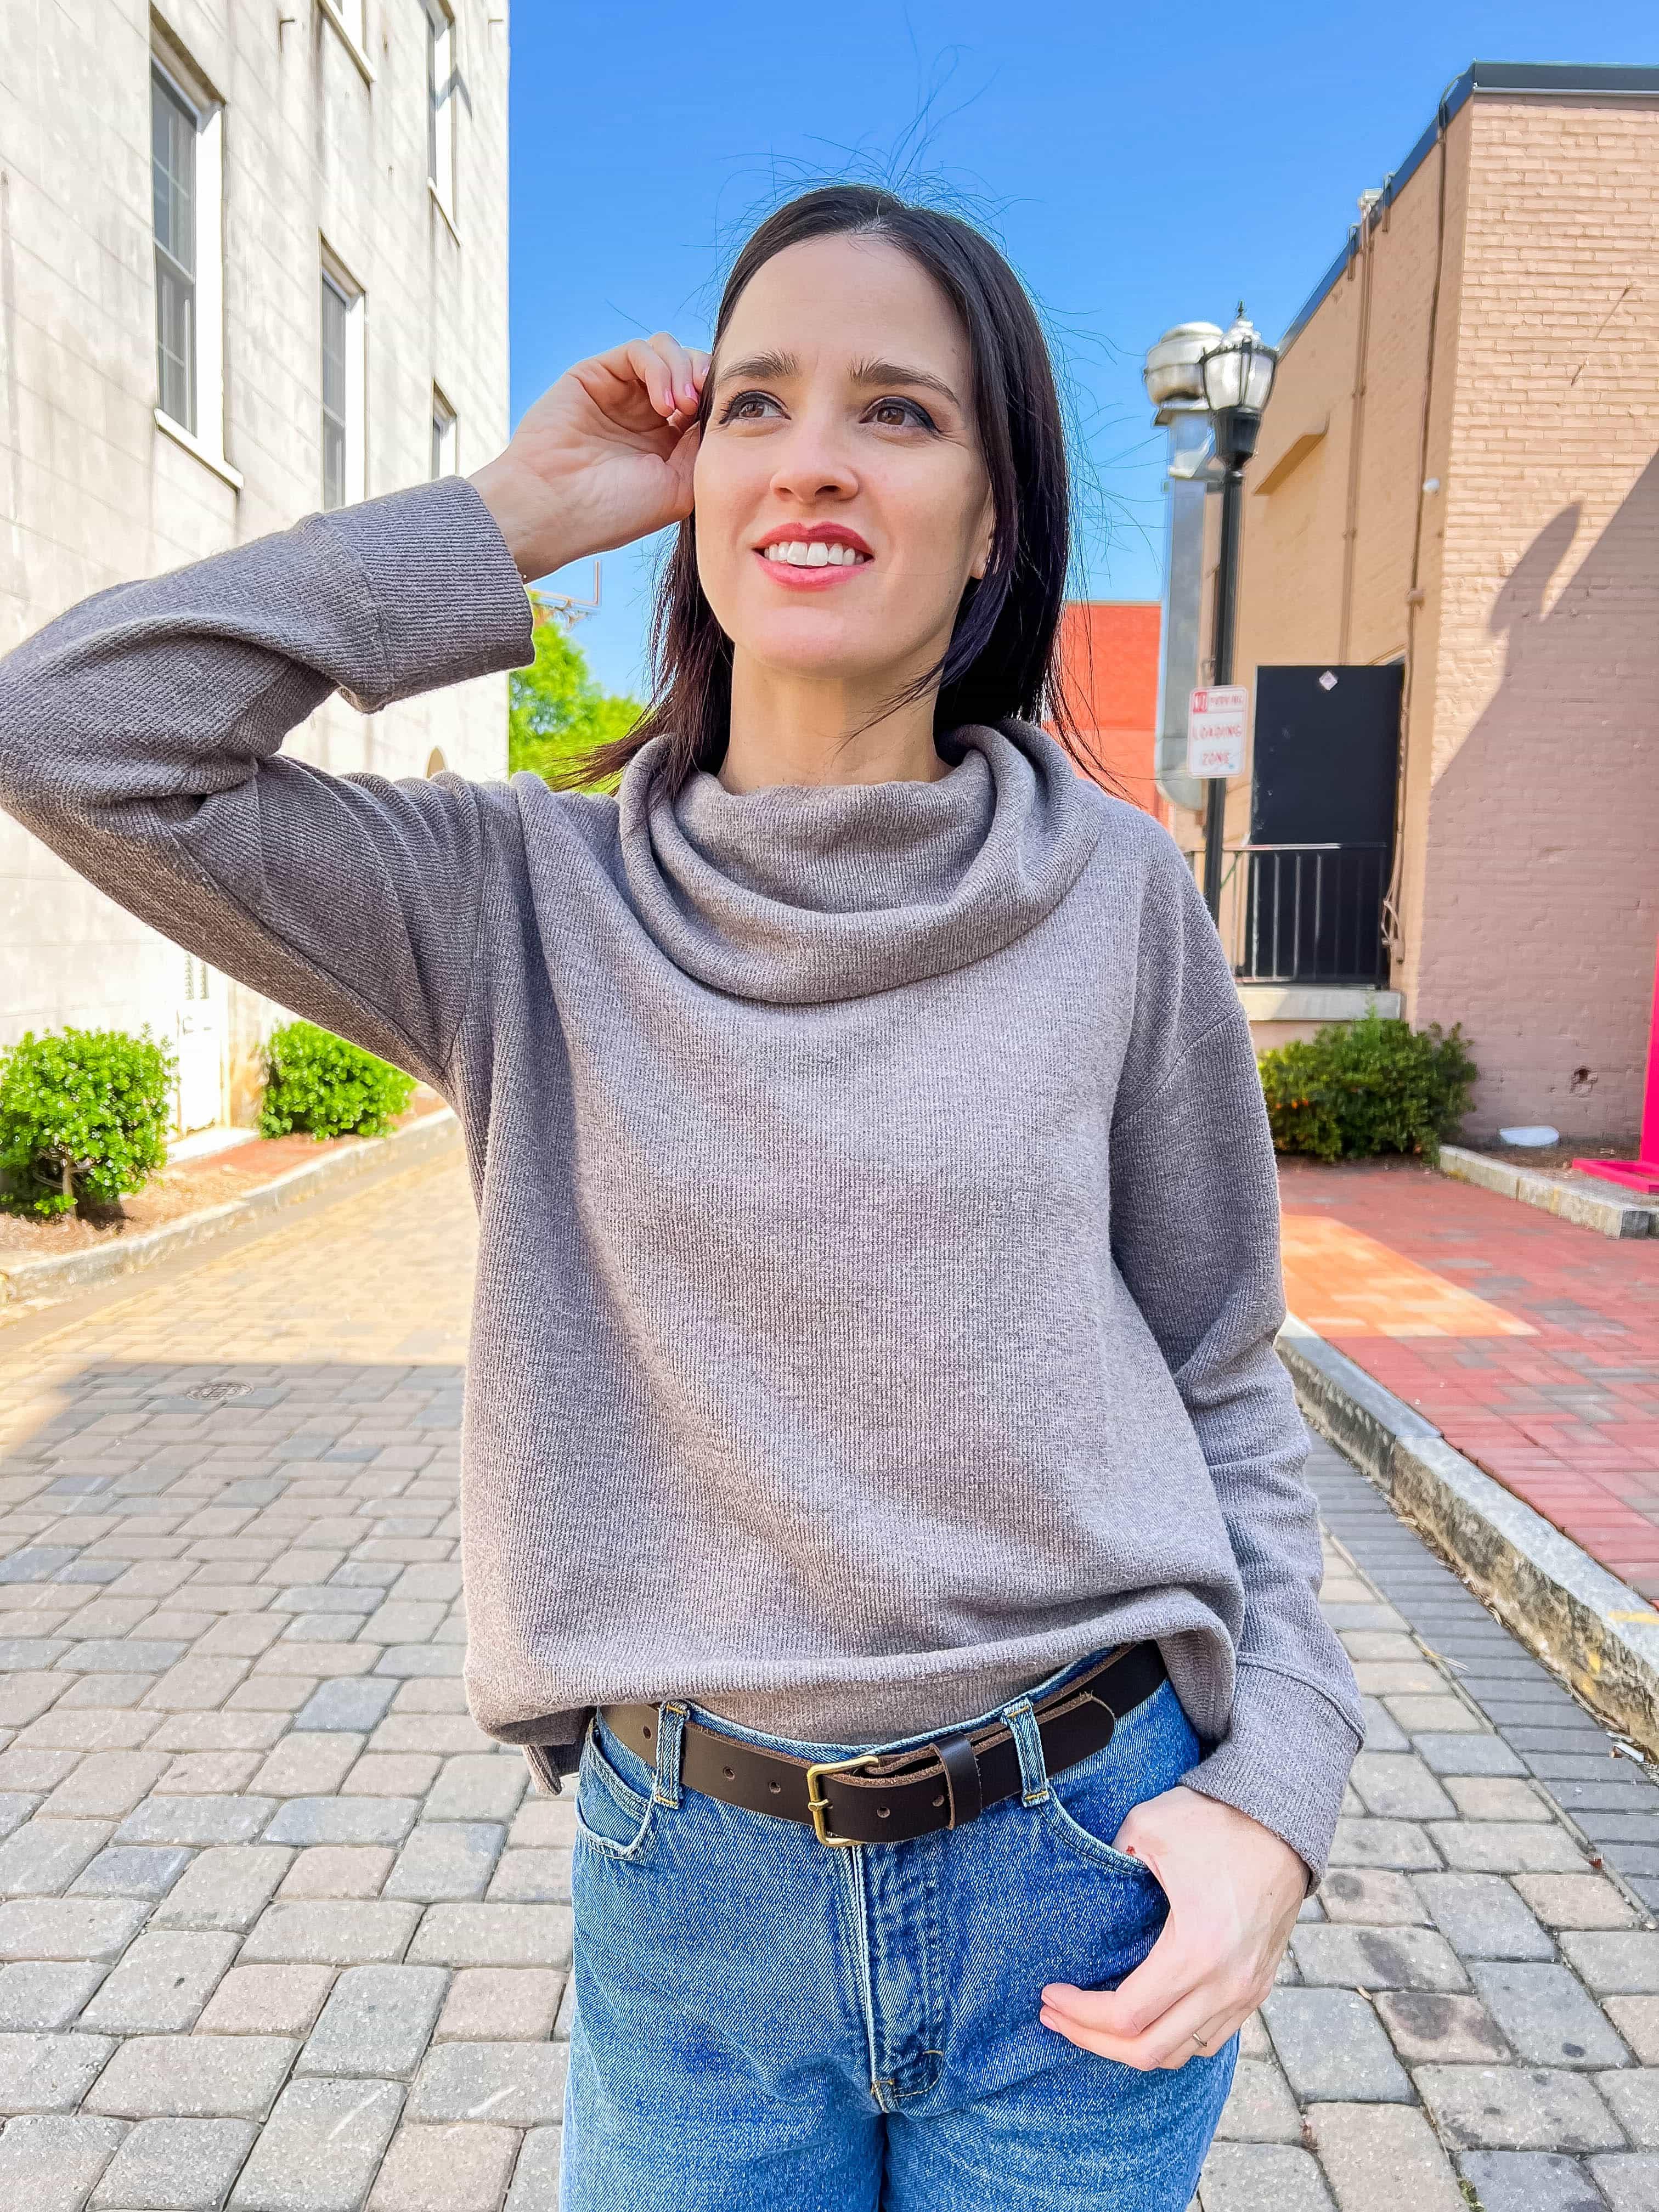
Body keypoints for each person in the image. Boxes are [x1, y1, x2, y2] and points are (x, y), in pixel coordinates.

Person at [0, 185, 1362, 2210]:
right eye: (757, 406)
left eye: (898, 411)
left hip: (1090, 1871)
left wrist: (1283, 1793)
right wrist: (506, 520)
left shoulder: (1115, 894)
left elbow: (1223, 1365)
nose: (814, 457)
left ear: (995, 519)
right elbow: (73, 735)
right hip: (695, 1898)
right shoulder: (517, 904)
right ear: (696, 483)